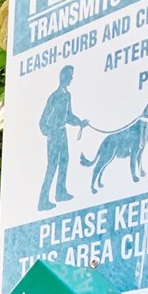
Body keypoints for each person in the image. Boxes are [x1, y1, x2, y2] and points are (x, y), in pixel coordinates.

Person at [38, 66, 88, 211]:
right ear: (63, 77)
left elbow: (68, 116)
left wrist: (80, 122)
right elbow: (42, 121)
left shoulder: (67, 95)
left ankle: (60, 192)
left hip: (63, 133)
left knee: (65, 162)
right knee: (52, 166)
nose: (71, 79)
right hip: (54, 135)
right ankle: (43, 201)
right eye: (70, 76)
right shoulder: (54, 96)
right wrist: (49, 132)